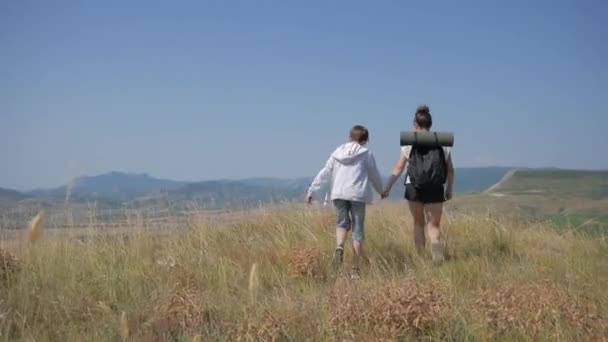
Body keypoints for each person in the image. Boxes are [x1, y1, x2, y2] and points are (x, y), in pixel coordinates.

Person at [307, 125, 384, 278]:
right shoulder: (366, 154)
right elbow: (374, 175)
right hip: (357, 194)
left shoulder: (337, 153)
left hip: (339, 194)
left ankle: (339, 247)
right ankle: (355, 269)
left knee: (342, 223)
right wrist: (381, 191)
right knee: (357, 229)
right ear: (366, 140)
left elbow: (325, 172)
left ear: (350, 137)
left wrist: (312, 189)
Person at [382, 105, 454, 265]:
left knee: (418, 223)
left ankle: (421, 259)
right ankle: (436, 254)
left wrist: (387, 187)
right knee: (434, 225)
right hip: (436, 187)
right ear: (430, 124)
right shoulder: (443, 142)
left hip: (414, 186)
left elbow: (399, 167)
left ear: (415, 124)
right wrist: (449, 189)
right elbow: (450, 169)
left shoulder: (409, 142)